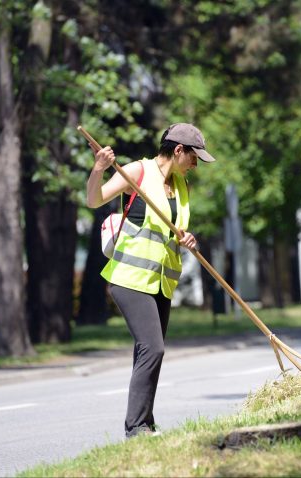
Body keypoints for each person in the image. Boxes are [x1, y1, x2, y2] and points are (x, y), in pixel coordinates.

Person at [86, 123, 216, 437]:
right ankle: (135, 428)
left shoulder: (182, 185)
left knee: (147, 352)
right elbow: (94, 199)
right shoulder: (137, 172)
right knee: (153, 349)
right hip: (130, 278)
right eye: (194, 156)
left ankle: (146, 421)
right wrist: (98, 169)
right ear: (178, 150)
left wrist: (187, 240)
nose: (196, 164)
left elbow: (173, 230)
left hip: (161, 281)